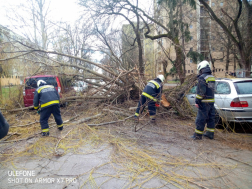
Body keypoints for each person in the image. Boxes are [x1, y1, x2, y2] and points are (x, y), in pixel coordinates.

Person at [191, 60, 216, 140]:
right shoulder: (211, 77)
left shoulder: (202, 77)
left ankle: (197, 136)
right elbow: (211, 89)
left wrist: (197, 101)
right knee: (211, 118)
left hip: (204, 102)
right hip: (211, 102)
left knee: (200, 119)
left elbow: (201, 92)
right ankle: (210, 134)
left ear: (201, 69)